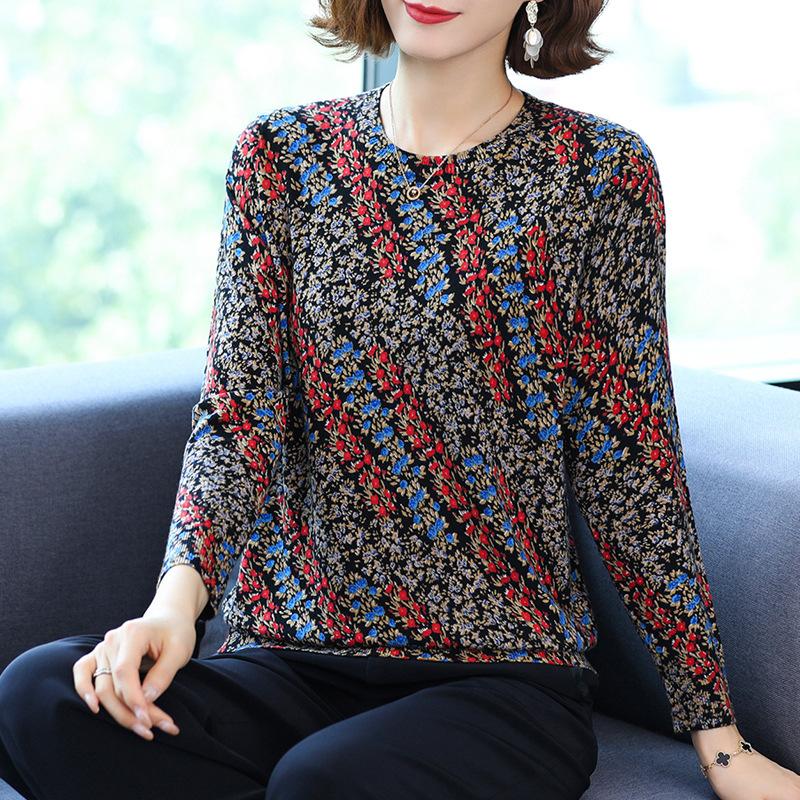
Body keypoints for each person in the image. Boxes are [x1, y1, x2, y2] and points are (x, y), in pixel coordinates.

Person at [2, 1, 800, 798]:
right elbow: (238, 415)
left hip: (501, 680)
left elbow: (630, 467)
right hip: (286, 660)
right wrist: (174, 606)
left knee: (323, 783)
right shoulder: (281, 155)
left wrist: (720, 742)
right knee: (40, 694)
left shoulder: (598, 173)